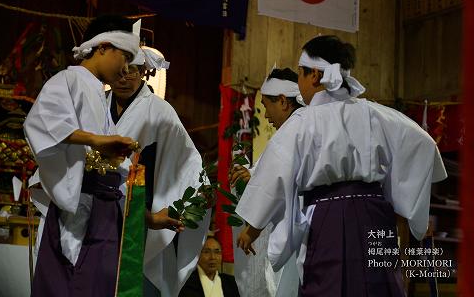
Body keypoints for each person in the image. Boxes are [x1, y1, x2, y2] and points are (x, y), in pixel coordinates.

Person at [235, 35, 447, 296]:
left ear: (313, 75)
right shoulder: (373, 112)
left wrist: (252, 228)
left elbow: (275, 175)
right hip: (376, 214)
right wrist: (417, 210)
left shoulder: (303, 121)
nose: (298, 82)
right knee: (379, 285)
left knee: (328, 285)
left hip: (328, 216)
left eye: (300, 73)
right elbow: (423, 144)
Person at [24, 15, 140, 297]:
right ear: (102, 47)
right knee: (75, 282)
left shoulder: (99, 92)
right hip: (79, 204)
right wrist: (96, 140)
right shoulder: (69, 79)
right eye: (123, 56)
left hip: (102, 204)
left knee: (97, 284)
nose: (125, 69)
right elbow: (40, 121)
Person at [107, 46, 209, 296]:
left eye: (131, 70)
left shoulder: (160, 111)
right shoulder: (96, 105)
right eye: (118, 71)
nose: (124, 78)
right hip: (100, 213)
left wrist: (197, 193)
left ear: (144, 71)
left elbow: (189, 163)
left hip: (139, 218)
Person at [228, 68, 303, 297]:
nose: (265, 114)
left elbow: (278, 183)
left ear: (282, 101)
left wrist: (252, 230)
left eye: (266, 105)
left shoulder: (292, 130)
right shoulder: (296, 127)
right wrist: (250, 173)